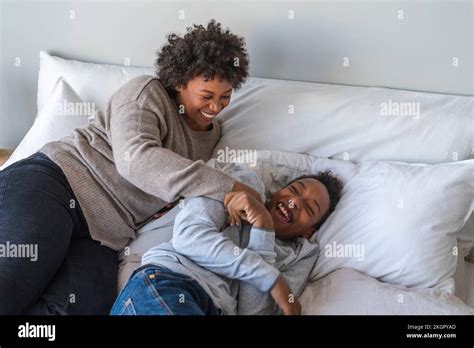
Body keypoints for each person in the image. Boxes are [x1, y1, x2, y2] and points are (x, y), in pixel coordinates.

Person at [0, 20, 259, 314]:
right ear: (179, 82)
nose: (216, 107)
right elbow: (136, 160)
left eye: (225, 97)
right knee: (10, 287)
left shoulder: (213, 136)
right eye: (206, 96)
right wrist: (231, 187)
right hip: (55, 185)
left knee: (78, 309)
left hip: (104, 237)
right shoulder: (146, 93)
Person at [110, 165, 343, 315]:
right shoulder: (244, 185)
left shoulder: (301, 255)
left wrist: (264, 228)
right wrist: (271, 280)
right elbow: (189, 237)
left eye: (309, 208)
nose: (294, 202)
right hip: (169, 283)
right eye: (294, 190)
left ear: (308, 232)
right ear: (278, 191)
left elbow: (252, 313)